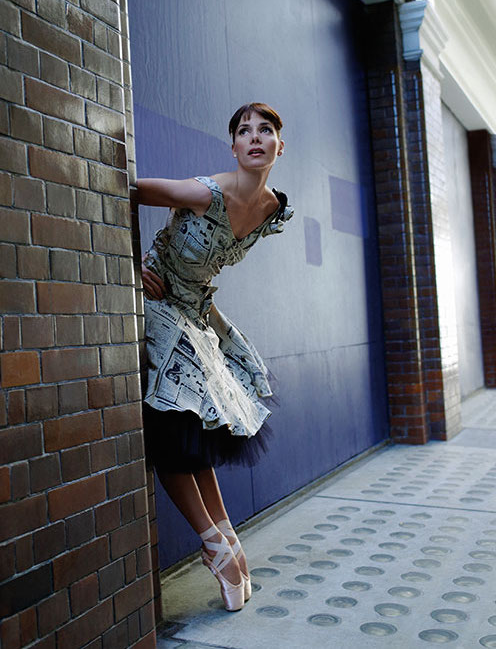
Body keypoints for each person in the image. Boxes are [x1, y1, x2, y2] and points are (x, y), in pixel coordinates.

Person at [132, 103, 293, 612]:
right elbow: (125, 189)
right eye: (243, 131)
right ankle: (215, 546)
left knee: (198, 426)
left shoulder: (270, 207)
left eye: (264, 131)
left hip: (197, 311)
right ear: (232, 147)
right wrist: (128, 263)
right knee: (174, 425)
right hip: (156, 304)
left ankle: (226, 541)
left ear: (277, 147)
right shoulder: (208, 192)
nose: (253, 138)